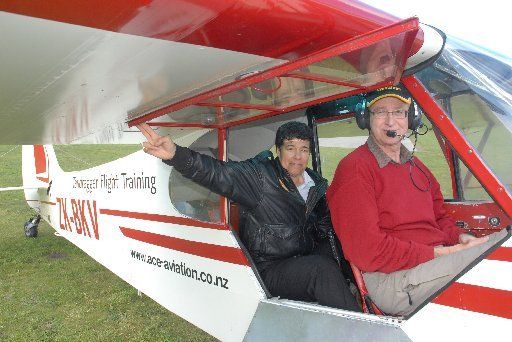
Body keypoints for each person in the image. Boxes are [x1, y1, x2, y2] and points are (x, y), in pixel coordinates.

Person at [138, 121, 360, 311]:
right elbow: (218, 173)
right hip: (270, 267)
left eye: (304, 149)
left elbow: (325, 229)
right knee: (321, 271)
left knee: (347, 247)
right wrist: (176, 155)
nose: (297, 157)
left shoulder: (315, 184)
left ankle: (369, 303)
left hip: (303, 257)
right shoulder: (260, 177)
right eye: (290, 148)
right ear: (278, 150)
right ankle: (361, 331)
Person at [326, 85, 508, 316]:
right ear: (366, 119)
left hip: (430, 264)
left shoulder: (417, 167)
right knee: (498, 258)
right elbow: (368, 252)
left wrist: (460, 238)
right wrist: (445, 253)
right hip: (392, 281)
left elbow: (440, 217)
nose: (391, 122)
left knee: (503, 243)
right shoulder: (354, 169)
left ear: (411, 119)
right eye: (381, 112)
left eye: (399, 112)